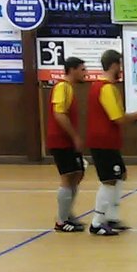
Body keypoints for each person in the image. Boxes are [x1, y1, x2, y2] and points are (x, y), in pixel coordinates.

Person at [86, 49, 137, 236]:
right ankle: (97, 222)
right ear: (113, 65)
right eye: (119, 65)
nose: (121, 69)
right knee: (108, 181)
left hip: (108, 141)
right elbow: (117, 117)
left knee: (120, 176)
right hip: (103, 142)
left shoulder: (101, 87)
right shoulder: (105, 88)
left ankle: (111, 217)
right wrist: (136, 116)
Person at [45, 56, 87, 232]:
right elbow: (59, 114)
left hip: (67, 140)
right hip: (60, 140)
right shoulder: (62, 87)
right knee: (67, 176)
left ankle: (67, 213)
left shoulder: (69, 88)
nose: (85, 73)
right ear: (72, 70)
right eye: (82, 69)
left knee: (78, 173)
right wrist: (74, 135)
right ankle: (61, 221)